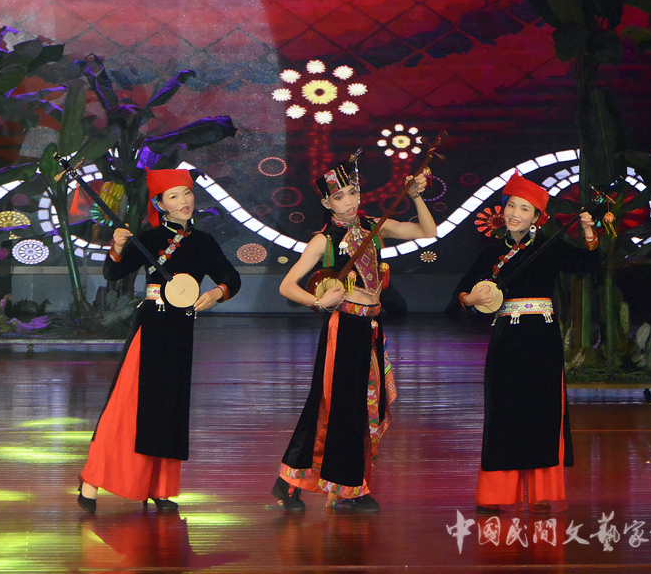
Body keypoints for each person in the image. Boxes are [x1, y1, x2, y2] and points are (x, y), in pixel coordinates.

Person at [272, 160, 437, 513]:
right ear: (326, 203)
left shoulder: (374, 226)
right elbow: (287, 286)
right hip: (344, 327)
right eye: (339, 197)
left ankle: (338, 484)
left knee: (364, 407)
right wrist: (319, 302)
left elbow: (427, 232)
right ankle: (332, 485)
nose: (348, 202)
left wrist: (414, 196)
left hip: (371, 327)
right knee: (336, 407)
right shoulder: (323, 240)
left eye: (352, 193)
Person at [77, 167, 241, 513]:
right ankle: (92, 480)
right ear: (160, 204)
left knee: (171, 407)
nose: (183, 201)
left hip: (182, 327)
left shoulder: (204, 241)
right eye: (173, 196)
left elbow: (231, 277)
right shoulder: (149, 239)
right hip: (151, 326)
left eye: (187, 193)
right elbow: (114, 272)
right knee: (130, 404)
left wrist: (217, 293)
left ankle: (160, 487)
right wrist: (118, 246)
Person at [454, 172, 599, 513]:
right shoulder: (491, 252)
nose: (515, 214)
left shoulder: (550, 247)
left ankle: (541, 492)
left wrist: (588, 231)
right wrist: (471, 299)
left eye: (524, 209)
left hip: (541, 341)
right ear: (502, 210)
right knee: (503, 415)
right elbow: (460, 293)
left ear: (537, 217)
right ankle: (497, 494)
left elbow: (589, 264)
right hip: (506, 340)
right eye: (511, 206)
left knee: (541, 414)